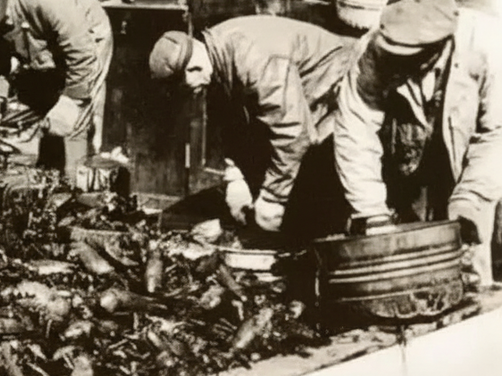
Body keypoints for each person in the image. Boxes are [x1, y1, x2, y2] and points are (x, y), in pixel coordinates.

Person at [334, 0, 502, 283]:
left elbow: (497, 135)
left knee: (477, 245)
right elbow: (355, 131)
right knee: (421, 256)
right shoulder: (373, 48)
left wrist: (470, 198)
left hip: (484, 156)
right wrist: (371, 212)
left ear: (443, 43)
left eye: (413, 56)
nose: (402, 62)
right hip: (414, 150)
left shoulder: (490, 47)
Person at [147, 15, 357, 239]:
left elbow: (293, 135)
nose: (192, 95)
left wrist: (273, 197)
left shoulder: (255, 59)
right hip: (305, 103)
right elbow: (234, 125)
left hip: (347, 90)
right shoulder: (214, 54)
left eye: (189, 90)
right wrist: (236, 177)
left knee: (316, 205)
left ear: (193, 69)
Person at [0, 0, 112, 178]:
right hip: (42, 44)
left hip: (86, 37)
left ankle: (76, 182)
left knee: (74, 122)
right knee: (36, 104)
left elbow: (82, 54)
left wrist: (71, 100)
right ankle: (45, 168)